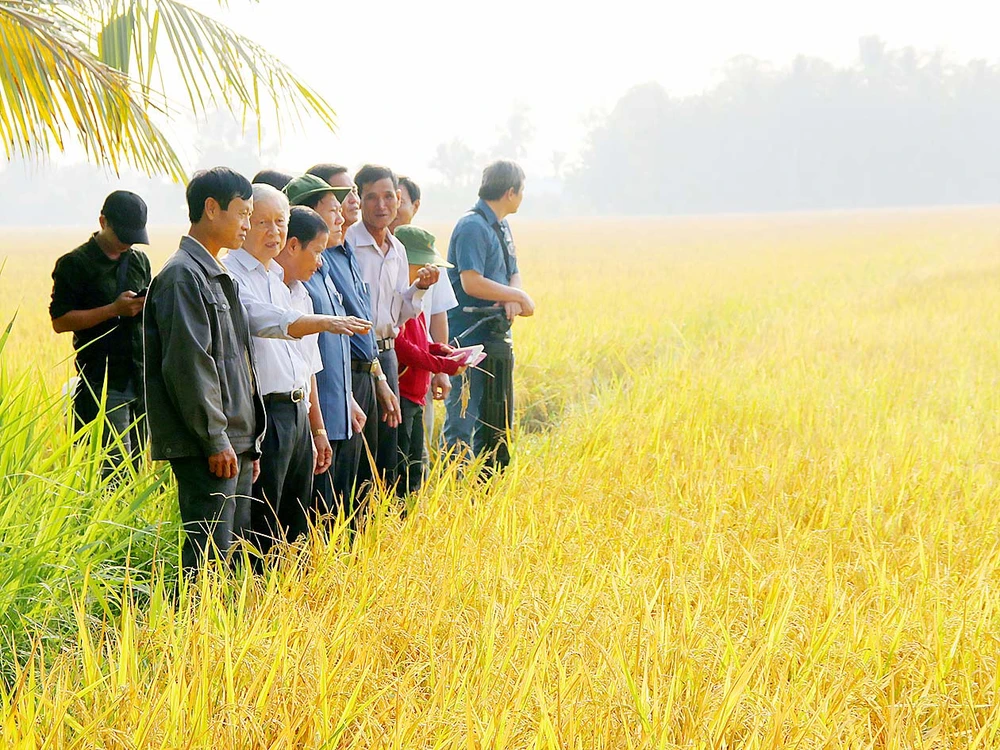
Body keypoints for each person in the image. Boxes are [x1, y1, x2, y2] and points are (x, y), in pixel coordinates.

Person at [224, 184, 371, 560]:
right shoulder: (232, 276)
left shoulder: (278, 278)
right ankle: (255, 600)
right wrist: (322, 322)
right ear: (243, 223)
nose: (274, 233)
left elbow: (306, 366)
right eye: (262, 223)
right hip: (264, 413)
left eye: (280, 223)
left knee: (295, 520)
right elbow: (265, 320)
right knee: (262, 523)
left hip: (297, 411)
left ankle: (288, 599)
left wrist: (317, 427)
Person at [143, 168, 264, 571]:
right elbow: (189, 365)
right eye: (243, 213)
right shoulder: (182, 275)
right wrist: (216, 439)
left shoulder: (215, 270)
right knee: (208, 563)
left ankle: (224, 635)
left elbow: (234, 361)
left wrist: (248, 442)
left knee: (230, 563)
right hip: (210, 444)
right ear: (211, 209)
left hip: (234, 440)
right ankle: (190, 634)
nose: (247, 224)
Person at [297, 170, 398, 514]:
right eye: (333, 208)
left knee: (350, 500)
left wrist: (352, 395)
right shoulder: (300, 279)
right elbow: (307, 355)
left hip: (346, 395)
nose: (343, 215)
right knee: (320, 509)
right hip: (318, 407)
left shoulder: (327, 264)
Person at [346, 164, 440, 489]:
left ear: (399, 199)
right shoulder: (346, 245)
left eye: (388, 196)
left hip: (388, 357)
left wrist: (421, 288)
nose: (381, 205)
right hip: (356, 357)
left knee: (388, 450)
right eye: (371, 197)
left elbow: (401, 312)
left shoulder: (398, 249)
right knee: (359, 452)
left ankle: (382, 528)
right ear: (358, 199)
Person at [49, 190, 152, 473]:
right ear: (103, 221)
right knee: (114, 473)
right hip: (103, 382)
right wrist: (113, 310)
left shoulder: (139, 261)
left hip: (141, 378)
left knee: (138, 469)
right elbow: (60, 321)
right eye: (122, 236)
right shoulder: (75, 264)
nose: (127, 243)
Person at [444, 160, 535, 474]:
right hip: (467, 339)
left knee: (495, 418)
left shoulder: (501, 225)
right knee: (462, 420)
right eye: (521, 191)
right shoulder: (472, 226)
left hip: (494, 339)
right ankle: (455, 491)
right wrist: (518, 298)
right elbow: (472, 281)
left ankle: (485, 489)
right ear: (510, 192)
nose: (522, 197)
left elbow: (513, 272)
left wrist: (511, 294)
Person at [393, 226, 466, 495]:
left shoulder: (418, 297)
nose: (430, 272)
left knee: (416, 466)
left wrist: (444, 353)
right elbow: (401, 347)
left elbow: (421, 341)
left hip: (416, 394)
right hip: (399, 394)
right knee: (401, 469)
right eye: (423, 265)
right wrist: (440, 365)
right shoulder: (395, 296)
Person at [389, 176, 459, 444]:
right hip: (399, 381)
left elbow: (436, 317)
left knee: (419, 451)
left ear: (415, 206)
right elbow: (398, 341)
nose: (392, 208)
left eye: (399, 200)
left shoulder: (428, 256)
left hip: (421, 378)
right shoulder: (380, 264)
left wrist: (441, 363)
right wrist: (440, 362)